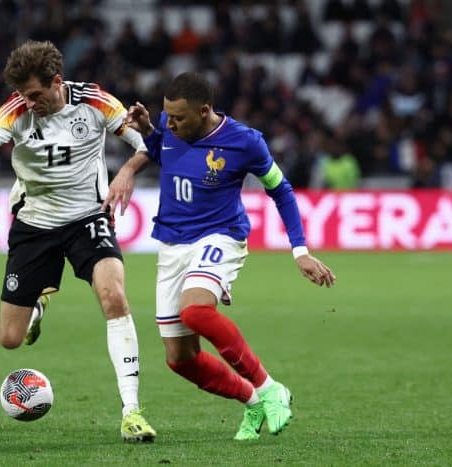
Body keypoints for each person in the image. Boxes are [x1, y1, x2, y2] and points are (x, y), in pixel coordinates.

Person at [0, 40, 156, 442]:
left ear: (56, 82)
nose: (28, 102)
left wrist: (127, 171)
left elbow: (146, 145)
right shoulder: (14, 112)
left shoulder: (96, 102)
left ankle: (131, 411)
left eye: (35, 94)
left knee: (114, 297)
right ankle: (37, 304)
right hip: (34, 225)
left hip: (88, 217)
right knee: (10, 339)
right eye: (22, 95)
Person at [103, 72, 336, 441]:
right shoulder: (169, 127)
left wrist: (300, 251)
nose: (171, 123)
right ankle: (253, 399)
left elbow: (282, 191)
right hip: (172, 244)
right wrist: (149, 132)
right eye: (167, 116)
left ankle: (270, 386)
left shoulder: (245, 142)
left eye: (178, 117)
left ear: (205, 110)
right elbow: (163, 147)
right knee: (180, 359)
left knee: (195, 311)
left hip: (219, 236)